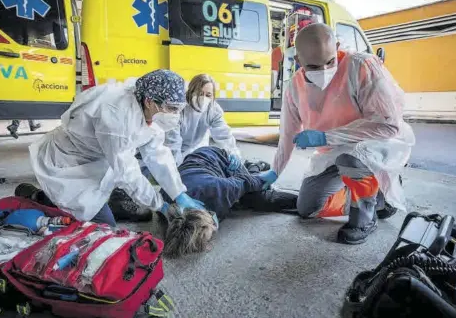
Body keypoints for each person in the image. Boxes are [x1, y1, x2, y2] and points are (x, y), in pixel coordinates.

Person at [266, 23, 415, 245]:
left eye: (330, 61)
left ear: (336, 47)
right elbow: (287, 135)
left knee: (352, 160)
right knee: (307, 208)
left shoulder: (361, 67)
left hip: (374, 143)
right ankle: (377, 195)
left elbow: (388, 125)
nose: (325, 71)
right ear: (298, 61)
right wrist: (273, 173)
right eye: (314, 66)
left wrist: (325, 137)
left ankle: (365, 217)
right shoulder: (295, 87)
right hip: (333, 150)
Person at [18, 69, 206, 227]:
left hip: (98, 161)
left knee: (133, 208)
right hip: (70, 163)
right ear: (149, 101)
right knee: (105, 228)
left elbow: (157, 154)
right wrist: (160, 206)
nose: (175, 115)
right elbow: (127, 172)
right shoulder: (117, 116)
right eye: (171, 108)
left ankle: (93, 201)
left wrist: (179, 193)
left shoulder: (148, 106)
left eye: (178, 109)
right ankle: (39, 198)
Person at [158, 146, 296, 257]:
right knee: (238, 201)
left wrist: (268, 178)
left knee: (256, 198)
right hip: (193, 167)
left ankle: (254, 166)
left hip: (218, 158)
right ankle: (250, 168)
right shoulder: (167, 202)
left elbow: (247, 182)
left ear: (209, 215)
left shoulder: (220, 189)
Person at [164, 73, 242, 170]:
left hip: (197, 151)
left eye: (208, 95)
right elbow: (172, 143)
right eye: (200, 94)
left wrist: (233, 152)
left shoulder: (214, 110)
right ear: (191, 92)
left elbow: (224, 134)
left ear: (213, 97)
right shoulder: (179, 109)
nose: (204, 98)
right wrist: (177, 168)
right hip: (175, 152)